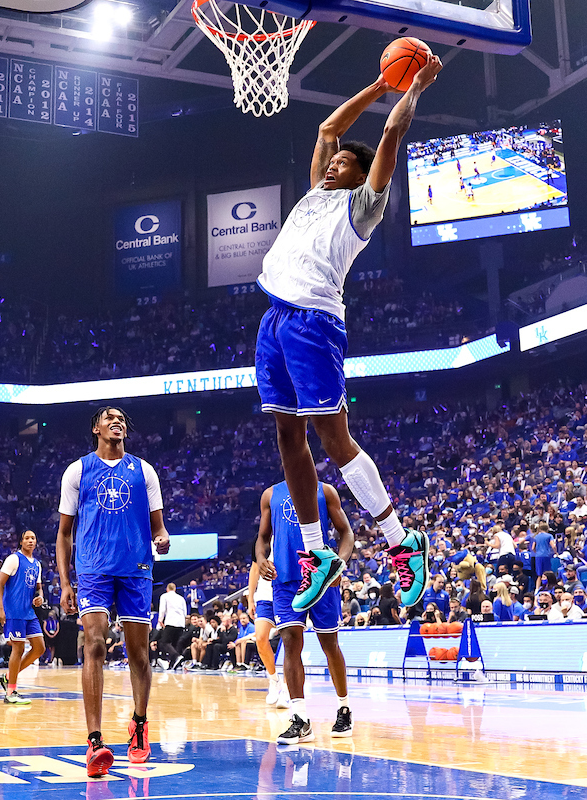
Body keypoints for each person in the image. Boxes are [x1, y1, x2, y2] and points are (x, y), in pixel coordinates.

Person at [253, 55, 443, 616]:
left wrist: (412, 88)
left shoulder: (365, 205)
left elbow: (389, 132)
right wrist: (379, 81)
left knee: (334, 440)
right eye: (331, 162)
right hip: (275, 317)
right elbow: (328, 128)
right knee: (289, 439)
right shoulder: (316, 193)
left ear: (361, 174)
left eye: (342, 163)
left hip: (314, 321)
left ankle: (400, 541)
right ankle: (316, 556)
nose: (333, 162)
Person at [56, 406, 171, 776]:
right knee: (95, 645)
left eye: (121, 417)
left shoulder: (145, 471)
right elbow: (63, 534)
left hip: (136, 569)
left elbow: (159, 527)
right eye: (108, 417)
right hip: (93, 570)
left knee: (139, 654)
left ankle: (139, 724)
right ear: (96, 428)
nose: (116, 421)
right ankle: (95, 742)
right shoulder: (77, 471)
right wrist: (64, 582)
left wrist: (163, 537)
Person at [255, 479, 355, 745]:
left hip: (321, 577)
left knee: (329, 644)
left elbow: (346, 532)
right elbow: (263, 538)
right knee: (290, 644)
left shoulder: (325, 491)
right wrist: (262, 559)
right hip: (285, 580)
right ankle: (300, 720)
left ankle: (344, 708)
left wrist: (340, 565)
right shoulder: (270, 494)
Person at [0, 529, 45, 705]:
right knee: (19, 649)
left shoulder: (37, 564)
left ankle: (8, 677)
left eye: (33, 538)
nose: (30, 540)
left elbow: (39, 588)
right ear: (21, 541)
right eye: (27, 538)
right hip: (14, 611)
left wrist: (41, 597)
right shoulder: (14, 559)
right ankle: (11, 692)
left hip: (29, 612)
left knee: (39, 648)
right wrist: (0, 608)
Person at [246, 560, 287, 707]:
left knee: (290, 644)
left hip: (287, 594)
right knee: (261, 638)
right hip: (264, 597)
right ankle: (274, 679)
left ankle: (288, 689)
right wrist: (250, 599)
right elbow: (255, 568)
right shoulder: (260, 540)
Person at [153, 582, 188, 670]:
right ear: (175, 589)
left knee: (164, 642)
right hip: (180, 623)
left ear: (167, 589)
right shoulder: (181, 598)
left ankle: (176, 656)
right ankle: (173, 664)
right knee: (175, 643)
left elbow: (162, 609)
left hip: (171, 621)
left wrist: (160, 620)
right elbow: (185, 612)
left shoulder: (165, 596)